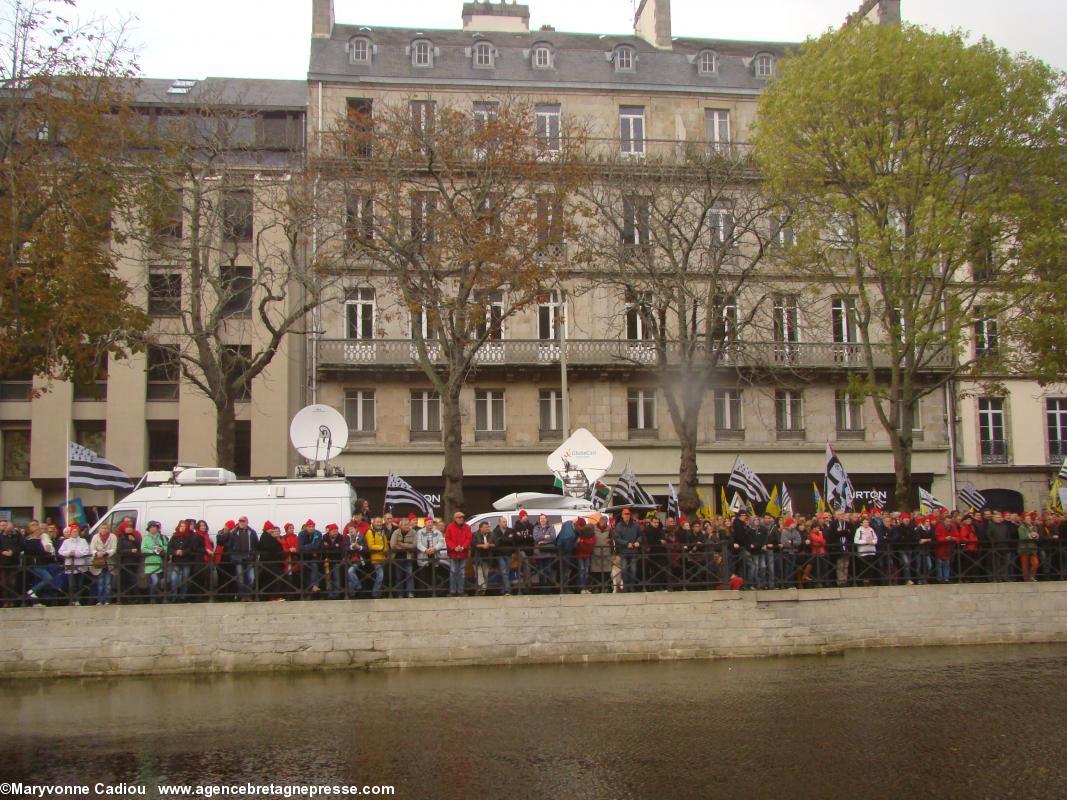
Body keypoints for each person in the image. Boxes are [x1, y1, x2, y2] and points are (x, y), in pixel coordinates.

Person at [167, 520, 203, 600]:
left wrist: (183, 552)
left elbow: (191, 549)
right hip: (176, 561)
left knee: (185, 579)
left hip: (186, 561)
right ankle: (174, 596)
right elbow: (169, 548)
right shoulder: (174, 536)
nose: (182, 528)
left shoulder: (189, 537)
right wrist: (175, 552)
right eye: (181, 526)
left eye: (184, 526)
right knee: (174, 578)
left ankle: (182, 596)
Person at [26, 524, 62, 604]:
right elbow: (38, 552)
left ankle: (36, 601)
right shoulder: (31, 541)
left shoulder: (39, 540)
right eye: (39, 530)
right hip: (35, 564)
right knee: (48, 578)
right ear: (35, 532)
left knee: (43, 581)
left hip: (43, 563)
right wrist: (47, 552)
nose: (41, 531)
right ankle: (32, 591)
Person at [227, 516, 258, 600]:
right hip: (238, 559)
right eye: (240, 521)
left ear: (247, 522)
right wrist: (232, 556)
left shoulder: (252, 532)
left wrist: (254, 556)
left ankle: (248, 595)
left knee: (251, 578)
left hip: (249, 558)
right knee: (240, 578)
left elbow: (256, 545)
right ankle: (242, 596)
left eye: (243, 521)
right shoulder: (234, 532)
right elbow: (229, 546)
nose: (242, 523)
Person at [416, 516, 448, 596]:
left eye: (431, 522)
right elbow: (418, 543)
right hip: (423, 556)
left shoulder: (437, 532)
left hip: (434, 555)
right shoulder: (420, 532)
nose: (430, 524)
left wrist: (434, 548)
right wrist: (425, 550)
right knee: (423, 575)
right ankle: (423, 593)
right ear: (425, 523)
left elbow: (441, 542)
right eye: (428, 522)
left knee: (433, 574)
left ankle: (433, 592)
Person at [89, 523, 118, 605]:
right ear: (99, 529)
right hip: (99, 562)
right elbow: (92, 548)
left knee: (108, 583)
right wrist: (96, 553)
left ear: (108, 529)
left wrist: (106, 553)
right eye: (102, 528)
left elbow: (114, 548)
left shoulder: (113, 536)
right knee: (100, 582)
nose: (104, 530)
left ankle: (107, 600)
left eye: (106, 528)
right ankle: (100, 600)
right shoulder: (95, 537)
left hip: (109, 562)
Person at [389, 516, 419, 598]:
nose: (407, 526)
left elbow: (414, 545)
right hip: (397, 557)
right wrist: (406, 547)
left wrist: (401, 544)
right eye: (405, 525)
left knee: (409, 575)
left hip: (408, 557)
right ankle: (400, 593)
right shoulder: (396, 532)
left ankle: (410, 593)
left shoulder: (413, 532)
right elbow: (393, 545)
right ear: (400, 525)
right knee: (398, 576)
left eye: (408, 524)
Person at [614, 508, 643, 591]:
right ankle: (626, 587)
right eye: (625, 514)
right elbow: (617, 538)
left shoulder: (636, 525)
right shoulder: (618, 526)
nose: (627, 516)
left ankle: (632, 587)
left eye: (628, 514)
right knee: (624, 570)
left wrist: (638, 541)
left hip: (634, 551)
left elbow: (640, 536)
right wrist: (626, 543)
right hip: (624, 551)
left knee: (634, 570)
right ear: (622, 515)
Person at [444, 511, 472, 597]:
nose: (461, 519)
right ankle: (452, 591)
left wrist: (463, 547)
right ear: (455, 518)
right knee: (453, 572)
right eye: (459, 517)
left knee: (462, 573)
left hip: (463, 553)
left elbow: (469, 538)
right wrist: (454, 547)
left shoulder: (467, 527)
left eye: (462, 517)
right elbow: (447, 538)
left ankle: (461, 591)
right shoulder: (450, 527)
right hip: (453, 553)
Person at [256, 521, 285, 600]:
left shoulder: (265, 536)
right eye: (271, 529)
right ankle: (275, 596)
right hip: (270, 561)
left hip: (268, 561)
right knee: (278, 576)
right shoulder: (267, 537)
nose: (272, 530)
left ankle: (268, 597)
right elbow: (273, 548)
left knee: (268, 579)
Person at [115, 521, 142, 602]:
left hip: (134, 562)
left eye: (130, 527)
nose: (129, 529)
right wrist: (130, 551)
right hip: (124, 563)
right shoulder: (121, 538)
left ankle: (134, 598)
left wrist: (134, 540)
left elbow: (140, 547)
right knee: (125, 581)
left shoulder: (134, 536)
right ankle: (125, 598)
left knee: (133, 580)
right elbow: (119, 550)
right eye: (127, 527)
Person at [531, 513, 558, 592]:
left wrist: (543, 542)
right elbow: (535, 538)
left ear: (546, 519)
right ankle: (542, 588)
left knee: (548, 570)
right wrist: (545, 536)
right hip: (538, 553)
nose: (542, 520)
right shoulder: (536, 527)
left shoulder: (551, 527)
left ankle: (549, 588)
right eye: (541, 518)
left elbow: (553, 537)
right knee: (541, 570)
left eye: (544, 518)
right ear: (539, 520)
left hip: (548, 553)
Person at [141, 521, 167, 602]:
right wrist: (152, 551)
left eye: (154, 527)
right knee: (154, 581)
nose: (152, 528)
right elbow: (143, 549)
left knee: (158, 582)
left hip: (159, 563)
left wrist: (162, 548)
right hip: (150, 563)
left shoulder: (162, 537)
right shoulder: (146, 538)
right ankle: (152, 598)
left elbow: (167, 547)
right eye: (151, 527)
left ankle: (156, 598)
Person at [365, 517, 390, 598]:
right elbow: (370, 546)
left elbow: (385, 543)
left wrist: (387, 552)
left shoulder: (382, 532)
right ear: (373, 523)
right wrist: (382, 548)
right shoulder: (370, 532)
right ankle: (375, 593)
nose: (379, 524)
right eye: (377, 522)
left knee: (382, 577)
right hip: (375, 558)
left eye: (380, 522)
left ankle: (380, 592)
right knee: (380, 575)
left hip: (383, 558)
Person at [490, 515, 515, 596]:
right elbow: (496, 541)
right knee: (504, 572)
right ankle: (508, 590)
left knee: (506, 572)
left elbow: (511, 540)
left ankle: (503, 589)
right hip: (500, 554)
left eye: (506, 522)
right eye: (504, 522)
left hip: (508, 553)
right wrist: (506, 538)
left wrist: (502, 539)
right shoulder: (495, 530)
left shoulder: (510, 530)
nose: (505, 523)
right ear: (499, 522)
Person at [344, 519, 370, 597]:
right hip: (349, 559)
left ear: (356, 529)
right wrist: (351, 547)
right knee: (350, 577)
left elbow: (366, 549)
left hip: (359, 560)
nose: (350, 531)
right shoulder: (347, 538)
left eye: (352, 529)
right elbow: (344, 548)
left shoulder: (361, 537)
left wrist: (359, 547)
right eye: (349, 530)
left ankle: (359, 587)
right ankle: (352, 594)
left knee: (350, 571)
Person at [320, 523, 346, 599]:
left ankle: (336, 594)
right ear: (330, 532)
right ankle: (329, 594)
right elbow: (323, 548)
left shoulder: (340, 537)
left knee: (336, 577)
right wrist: (334, 546)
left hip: (337, 560)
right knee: (329, 578)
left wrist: (329, 547)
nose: (335, 533)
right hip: (327, 560)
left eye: (336, 531)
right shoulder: (325, 537)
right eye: (334, 531)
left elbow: (341, 548)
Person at [0, 519, 22, 607]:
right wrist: (2, 552)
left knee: (13, 583)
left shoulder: (16, 536)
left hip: (13, 562)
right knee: (4, 583)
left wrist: (13, 552)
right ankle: (5, 601)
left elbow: (21, 545)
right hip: (2, 562)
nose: (5, 527)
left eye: (6, 525)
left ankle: (12, 601)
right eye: (2, 525)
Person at [298, 519, 323, 596]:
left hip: (316, 558)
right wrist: (311, 548)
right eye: (309, 527)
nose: (311, 528)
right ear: (306, 527)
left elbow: (317, 546)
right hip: (304, 557)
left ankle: (314, 586)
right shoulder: (302, 534)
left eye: (313, 527)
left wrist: (307, 547)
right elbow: (301, 547)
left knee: (314, 566)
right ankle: (307, 590)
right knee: (305, 572)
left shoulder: (318, 533)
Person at [472, 520, 496, 595]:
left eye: (488, 527)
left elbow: (496, 543)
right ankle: (481, 589)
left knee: (485, 574)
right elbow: (473, 544)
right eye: (485, 527)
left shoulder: (492, 534)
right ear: (480, 528)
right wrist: (482, 545)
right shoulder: (475, 534)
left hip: (487, 557)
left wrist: (489, 545)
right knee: (479, 573)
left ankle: (483, 590)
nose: (487, 529)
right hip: (477, 557)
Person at [590, 517, 613, 593]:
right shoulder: (593, 528)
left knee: (606, 571)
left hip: (606, 552)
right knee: (596, 571)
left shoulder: (609, 529)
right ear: (599, 521)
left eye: (605, 521)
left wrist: (610, 540)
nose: (603, 523)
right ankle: (597, 587)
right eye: (602, 521)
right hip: (595, 551)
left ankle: (606, 587)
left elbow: (612, 538)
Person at [854, 517, 878, 586]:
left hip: (871, 550)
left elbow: (876, 538)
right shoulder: (859, 530)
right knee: (864, 566)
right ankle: (863, 580)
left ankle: (869, 580)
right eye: (864, 522)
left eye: (867, 522)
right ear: (861, 523)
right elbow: (856, 540)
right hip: (863, 551)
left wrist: (872, 542)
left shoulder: (871, 529)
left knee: (871, 566)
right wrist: (865, 542)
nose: (866, 524)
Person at [574, 517, 596, 593]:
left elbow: (592, 541)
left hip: (583, 554)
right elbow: (591, 541)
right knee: (583, 571)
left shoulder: (586, 532)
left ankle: (584, 588)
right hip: (583, 554)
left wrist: (582, 541)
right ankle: (583, 588)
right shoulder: (579, 532)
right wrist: (582, 542)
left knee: (584, 571)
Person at [279, 523, 301, 597]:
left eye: (292, 528)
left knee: (296, 577)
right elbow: (283, 547)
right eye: (290, 528)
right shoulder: (283, 538)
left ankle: (295, 594)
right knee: (288, 577)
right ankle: (289, 595)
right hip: (288, 560)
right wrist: (289, 549)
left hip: (295, 559)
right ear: (286, 530)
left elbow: (298, 546)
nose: (292, 530)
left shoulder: (296, 537)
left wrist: (295, 549)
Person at [1018, 513, 1040, 582]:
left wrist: (1034, 536)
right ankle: (1026, 579)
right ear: (1024, 520)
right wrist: (1031, 536)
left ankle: (1031, 576)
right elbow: (1022, 537)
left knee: (1035, 563)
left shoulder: (1034, 527)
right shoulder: (1021, 527)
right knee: (1025, 565)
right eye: (1027, 519)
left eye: (1030, 519)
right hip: (1024, 548)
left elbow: (1036, 536)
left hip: (1033, 548)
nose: (1029, 520)